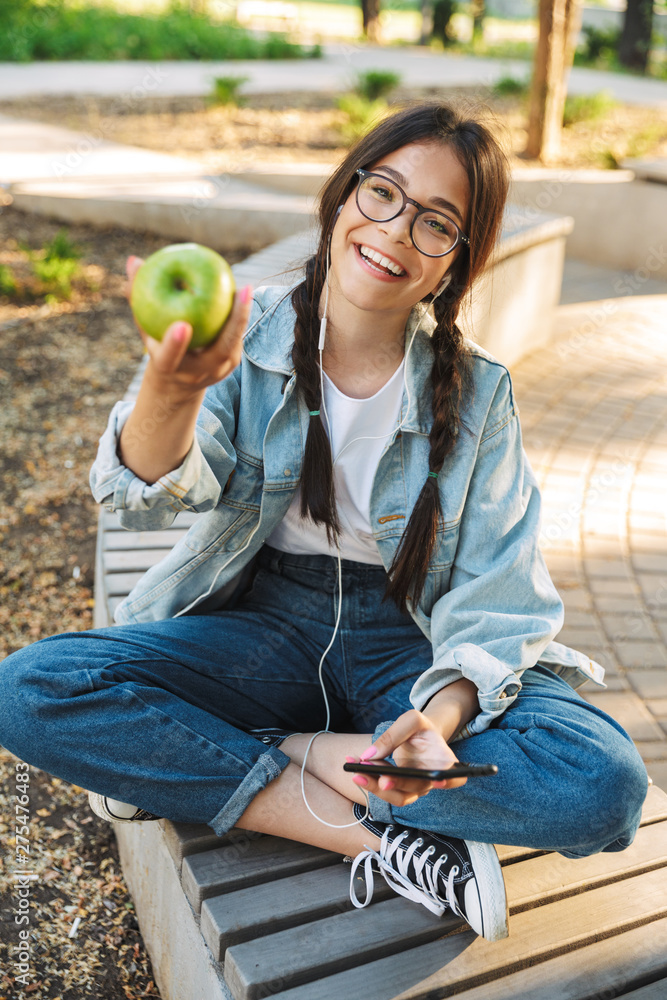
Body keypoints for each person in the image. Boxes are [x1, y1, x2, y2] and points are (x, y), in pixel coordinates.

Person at [0, 102, 648, 944]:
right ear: (342, 198)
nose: (395, 231)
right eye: (382, 193)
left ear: (454, 261)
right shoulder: (247, 331)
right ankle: (368, 827)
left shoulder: (479, 392)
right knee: (31, 690)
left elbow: (499, 587)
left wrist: (439, 719)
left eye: (435, 222)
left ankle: (285, 749)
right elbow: (144, 498)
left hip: (408, 640)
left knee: (599, 784)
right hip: (263, 625)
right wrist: (173, 391)